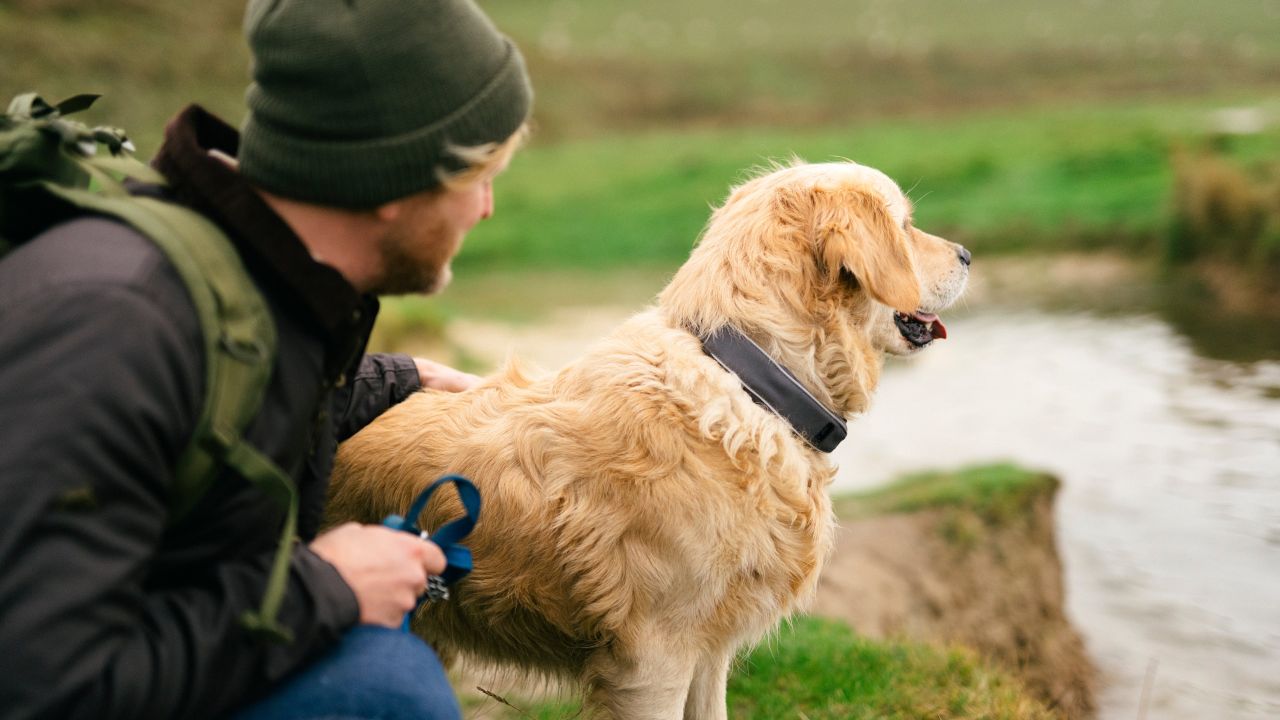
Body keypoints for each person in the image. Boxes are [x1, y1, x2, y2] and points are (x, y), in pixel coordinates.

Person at [0, 0, 531, 718]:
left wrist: (399, 379)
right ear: (397, 179)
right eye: (480, 175)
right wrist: (328, 587)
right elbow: (42, 685)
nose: (487, 209)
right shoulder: (118, 330)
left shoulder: (246, 280)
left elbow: (208, 418)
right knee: (384, 689)